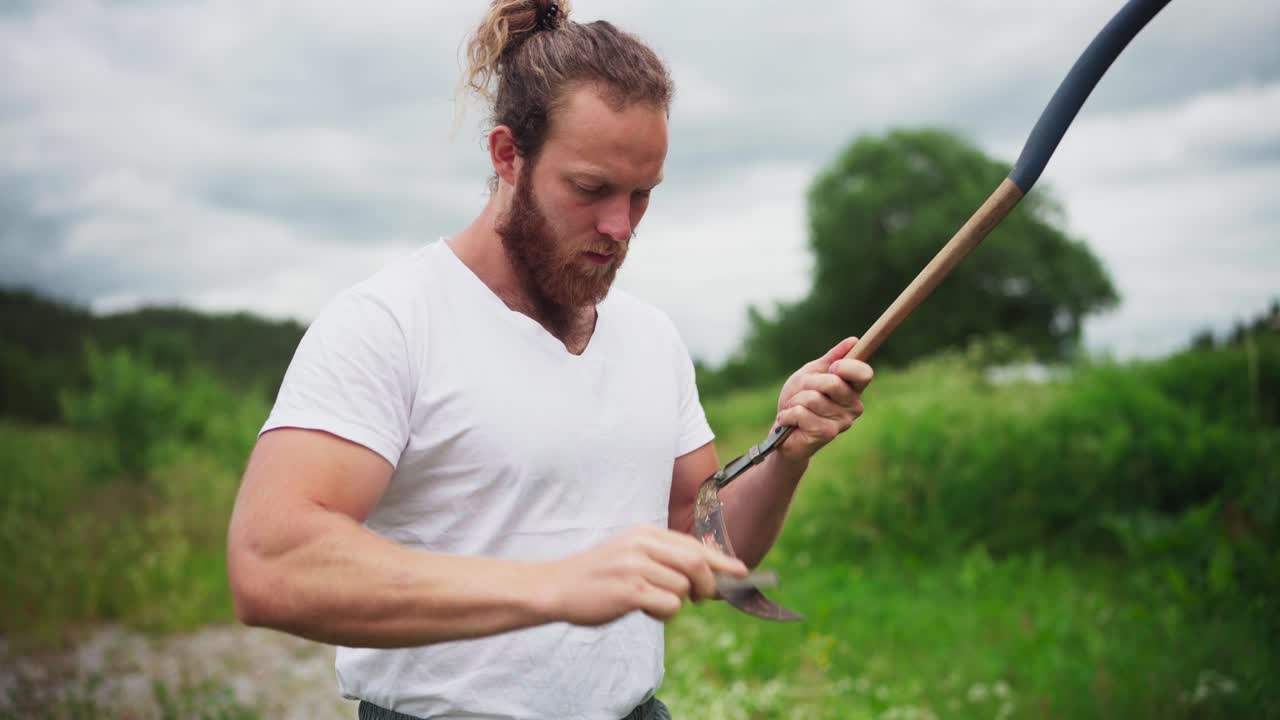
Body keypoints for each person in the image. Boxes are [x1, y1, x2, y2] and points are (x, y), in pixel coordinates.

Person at [226, 1, 874, 718]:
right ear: (508, 156)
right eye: (591, 190)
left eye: (642, 196)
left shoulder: (652, 339)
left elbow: (707, 544)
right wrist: (554, 587)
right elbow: (270, 563)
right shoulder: (390, 322)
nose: (620, 227)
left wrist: (789, 450)